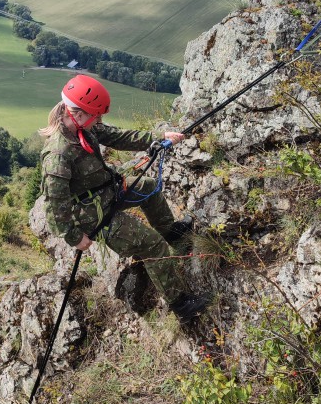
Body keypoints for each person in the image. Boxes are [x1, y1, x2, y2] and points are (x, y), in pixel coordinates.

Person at [39, 74, 208, 323]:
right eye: (96, 116)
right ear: (78, 114)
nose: (99, 121)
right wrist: (74, 236)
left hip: (107, 191)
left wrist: (159, 136)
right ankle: (181, 305)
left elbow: (119, 137)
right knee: (152, 245)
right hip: (93, 214)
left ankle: (172, 233)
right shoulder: (58, 154)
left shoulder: (84, 126)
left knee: (149, 188)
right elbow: (54, 203)